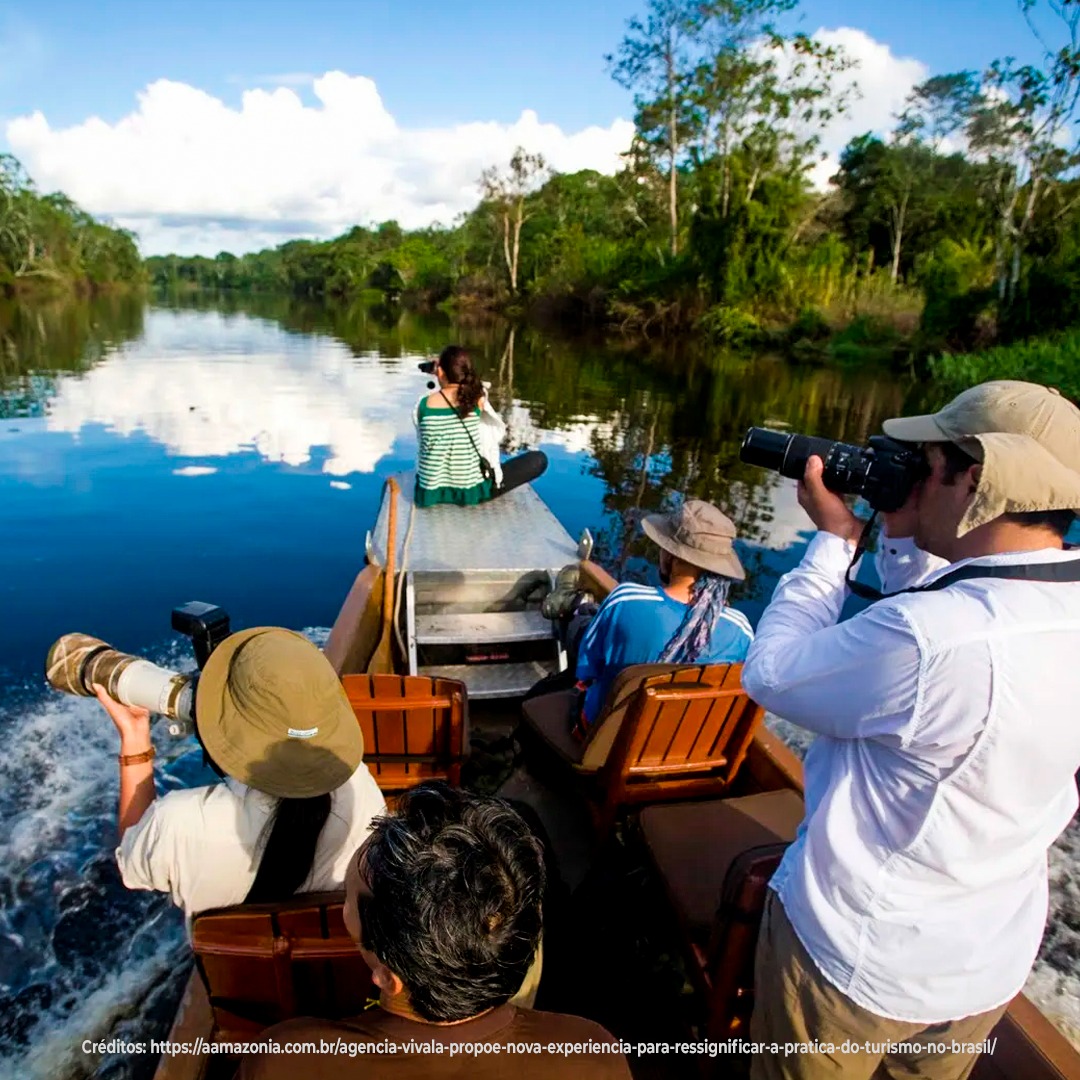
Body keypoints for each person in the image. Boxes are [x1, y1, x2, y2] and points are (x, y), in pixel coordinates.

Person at [740, 380, 1080, 1080]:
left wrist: (833, 545)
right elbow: (929, 657)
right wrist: (903, 537)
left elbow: (771, 674)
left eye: (923, 463)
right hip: (985, 965)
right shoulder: (1038, 611)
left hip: (857, 963)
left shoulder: (933, 640)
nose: (911, 475)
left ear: (973, 475)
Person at [236, 782, 633, 1080]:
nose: (344, 909)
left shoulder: (287, 1060)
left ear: (388, 978)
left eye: (350, 899)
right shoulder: (592, 1053)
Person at [94, 626, 386, 921]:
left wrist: (134, 736)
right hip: (326, 959)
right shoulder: (360, 789)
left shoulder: (177, 822)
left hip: (229, 969)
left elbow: (131, 857)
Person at [574, 499, 754, 727]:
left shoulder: (626, 600)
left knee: (578, 627)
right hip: (681, 754)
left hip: (602, 741)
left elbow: (587, 670)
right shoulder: (741, 631)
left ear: (672, 556)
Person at [413, 344, 547, 508]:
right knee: (539, 460)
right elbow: (478, 387)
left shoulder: (423, 405)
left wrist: (440, 373)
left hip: (428, 493)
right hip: (470, 492)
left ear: (440, 372)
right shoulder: (477, 399)